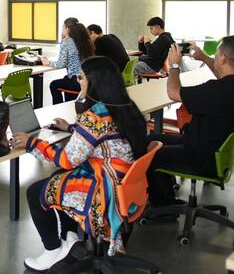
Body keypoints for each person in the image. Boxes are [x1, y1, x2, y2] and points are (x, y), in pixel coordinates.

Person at [11, 56, 148, 270]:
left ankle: (52, 250)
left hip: (104, 193)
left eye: (81, 77)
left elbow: (68, 159)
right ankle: (71, 239)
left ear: (94, 82)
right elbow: (104, 136)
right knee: (58, 178)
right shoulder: (126, 107)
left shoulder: (94, 116)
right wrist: (71, 128)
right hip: (123, 184)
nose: (78, 81)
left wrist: (32, 143)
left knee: (36, 192)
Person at [147, 37, 234, 206]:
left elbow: (173, 92)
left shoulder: (216, 91)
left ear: (223, 58)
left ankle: (162, 206)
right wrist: (204, 58)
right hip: (213, 150)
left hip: (200, 156)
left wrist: (174, 65)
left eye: (216, 53)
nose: (215, 56)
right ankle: (167, 197)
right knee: (153, 139)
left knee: (149, 154)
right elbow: (225, 78)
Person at [41, 18, 93, 104]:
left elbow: (61, 64)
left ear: (67, 28)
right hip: (87, 80)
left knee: (54, 85)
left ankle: (59, 107)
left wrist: (48, 62)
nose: (62, 29)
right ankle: (69, 104)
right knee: (66, 79)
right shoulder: (87, 41)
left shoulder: (67, 42)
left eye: (63, 27)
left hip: (76, 81)